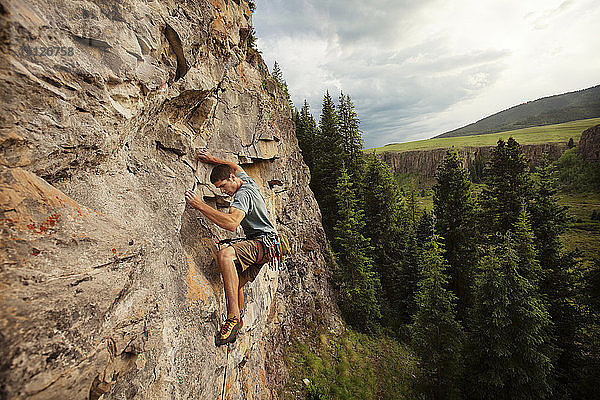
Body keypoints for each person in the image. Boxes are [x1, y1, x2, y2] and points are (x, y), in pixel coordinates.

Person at [184, 150, 278, 346]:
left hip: (262, 242)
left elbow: (232, 223)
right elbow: (235, 166)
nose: (223, 191)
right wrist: (212, 160)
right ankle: (236, 324)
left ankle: (233, 317)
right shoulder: (246, 181)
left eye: (224, 186)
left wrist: (200, 205)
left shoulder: (241, 196)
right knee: (234, 283)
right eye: (219, 188)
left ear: (232, 179)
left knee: (226, 255)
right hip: (268, 244)